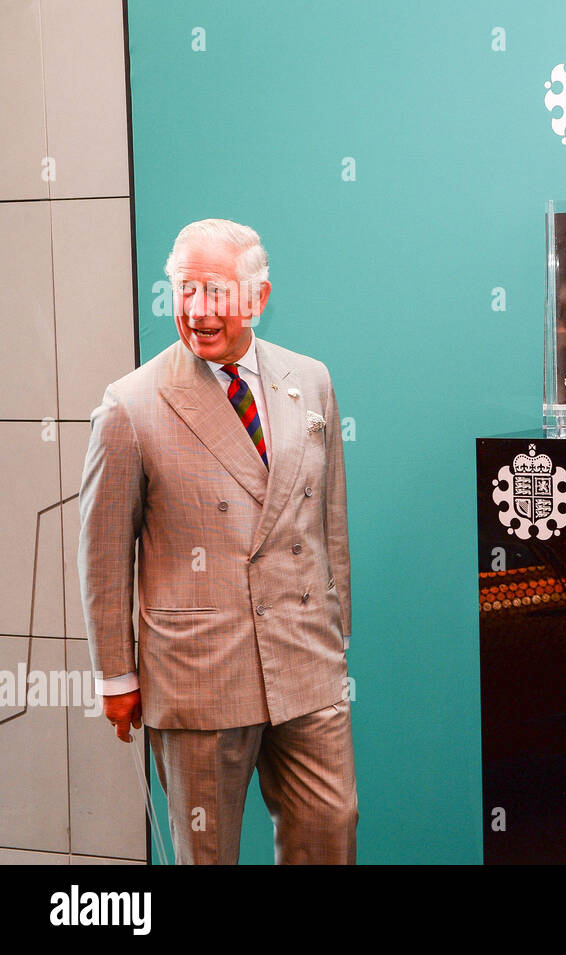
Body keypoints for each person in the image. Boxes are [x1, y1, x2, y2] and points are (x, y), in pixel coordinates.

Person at [78, 218, 357, 864]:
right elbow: (104, 553)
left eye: (218, 293)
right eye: (186, 291)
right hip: (200, 674)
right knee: (206, 855)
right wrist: (116, 672)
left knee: (332, 827)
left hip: (305, 661)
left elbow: (330, 521)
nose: (199, 312)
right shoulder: (132, 405)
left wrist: (335, 634)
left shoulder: (310, 380)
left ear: (258, 298)